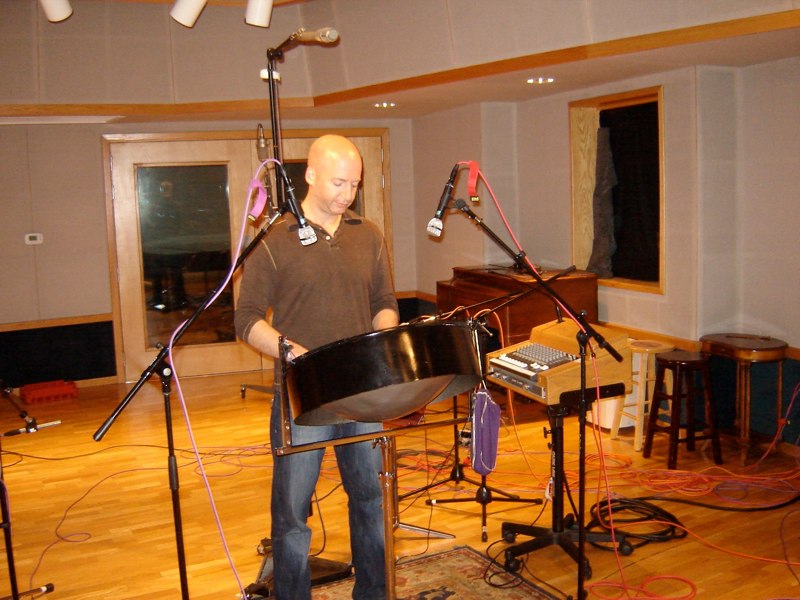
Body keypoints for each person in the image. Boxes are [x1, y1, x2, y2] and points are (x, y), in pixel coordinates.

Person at [234, 134, 399, 600]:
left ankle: (374, 593)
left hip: (362, 389)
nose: (348, 194)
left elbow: (384, 301)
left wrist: (382, 334)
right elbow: (245, 320)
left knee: (370, 500)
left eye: (355, 184)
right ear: (309, 175)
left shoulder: (367, 234)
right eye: (338, 182)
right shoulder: (273, 240)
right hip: (301, 392)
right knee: (291, 512)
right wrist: (291, 351)